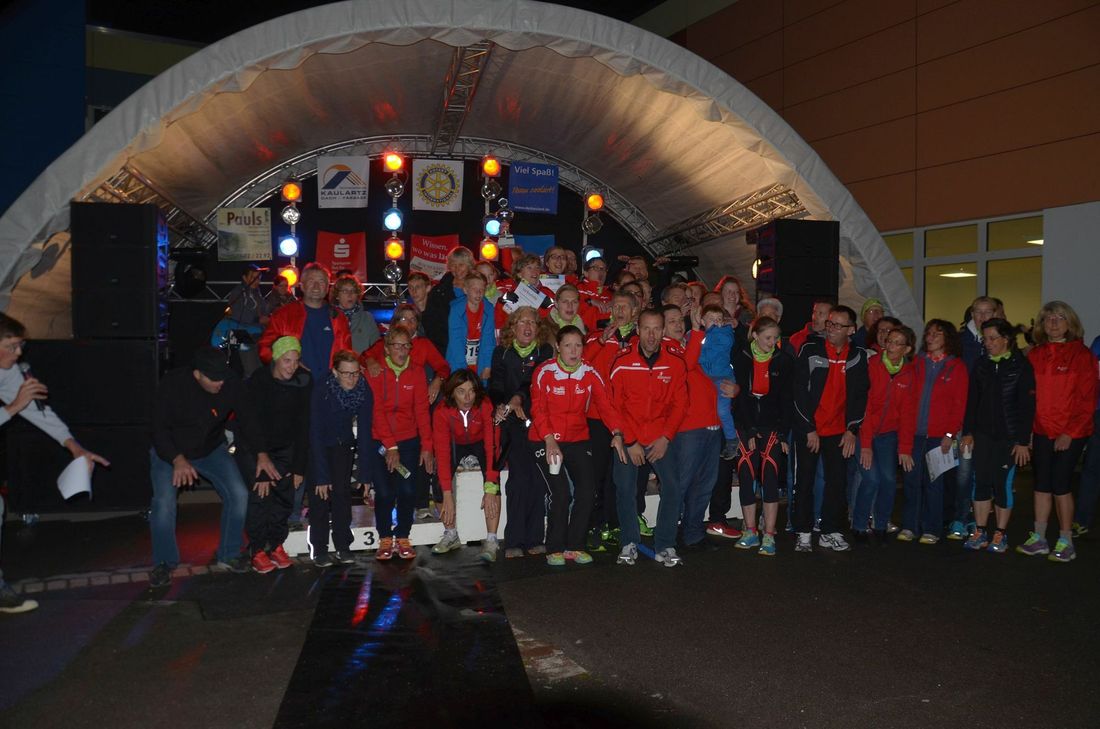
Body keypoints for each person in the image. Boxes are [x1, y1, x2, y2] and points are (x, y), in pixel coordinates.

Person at [0, 313, 108, 613]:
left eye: (20, 345)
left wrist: (74, 447)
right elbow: (17, 407)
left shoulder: (8, 371)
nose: (19, 353)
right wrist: (13, 406)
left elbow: (37, 412)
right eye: (11, 346)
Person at [149, 347, 277, 587]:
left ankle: (229, 554)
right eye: (214, 379)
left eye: (223, 376)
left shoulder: (230, 382)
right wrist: (177, 459)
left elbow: (248, 419)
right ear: (197, 375)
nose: (220, 382)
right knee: (163, 503)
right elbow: (158, 428)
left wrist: (262, 453)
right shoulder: (173, 384)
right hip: (171, 452)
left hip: (209, 449)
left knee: (239, 493)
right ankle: (164, 562)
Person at [531, 326, 625, 567]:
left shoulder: (590, 372)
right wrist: (550, 439)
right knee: (561, 492)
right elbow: (538, 409)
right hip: (545, 438)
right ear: (558, 348)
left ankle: (575, 545)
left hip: (577, 438)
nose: (574, 351)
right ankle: (555, 547)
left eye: (578, 345)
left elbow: (606, 406)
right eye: (568, 345)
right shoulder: (544, 372)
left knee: (587, 489)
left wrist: (616, 432)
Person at [1017, 301, 1097, 562]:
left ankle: (1065, 540)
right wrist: (1027, 430)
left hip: (1070, 431)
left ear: (1069, 323)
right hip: (1041, 429)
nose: (1053, 322)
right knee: (1041, 484)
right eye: (1048, 318)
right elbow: (1028, 397)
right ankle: (1039, 538)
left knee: (1061, 484)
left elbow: (1087, 400)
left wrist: (1070, 432)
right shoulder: (1035, 355)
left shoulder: (1082, 355)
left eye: (1059, 318)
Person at [609, 310, 688, 567]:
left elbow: (680, 404)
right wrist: (630, 441)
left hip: (660, 436)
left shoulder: (675, 362)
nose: (652, 335)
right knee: (625, 488)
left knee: (673, 486)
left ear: (663, 331)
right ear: (638, 330)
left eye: (656, 329)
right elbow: (614, 405)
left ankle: (665, 544)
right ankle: (629, 542)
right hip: (628, 437)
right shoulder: (621, 361)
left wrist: (666, 437)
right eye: (646, 329)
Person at [792, 305, 869, 552]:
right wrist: (808, 428)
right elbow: (799, 392)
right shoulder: (810, 349)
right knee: (805, 481)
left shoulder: (857, 356)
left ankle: (829, 531)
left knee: (837, 482)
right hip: (811, 429)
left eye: (837, 325)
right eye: (830, 324)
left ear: (851, 330)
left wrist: (851, 430)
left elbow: (860, 397)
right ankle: (803, 532)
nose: (831, 329)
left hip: (839, 431)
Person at [236, 336, 312, 573]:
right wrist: (261, 457)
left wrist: (299, 467)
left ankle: (276, 544)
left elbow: (304, 425)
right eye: (287, 360)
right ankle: (257, 549)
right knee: (261, 494)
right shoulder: (259, 381)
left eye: (296, 360)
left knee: (284, 496)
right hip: (255, 447)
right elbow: (249, 424)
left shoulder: (303, 381)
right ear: (276, 359)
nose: (292, 366)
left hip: (285, 448)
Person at [959, 318, 1035, 553]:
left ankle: (1000, 533)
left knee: (1002, 484)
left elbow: (1027, 406)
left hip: (1008, 438)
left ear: (1006, 339)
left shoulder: (1020, 366)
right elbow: (971, 402)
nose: (988, 343)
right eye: (985, 339)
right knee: (980, 482)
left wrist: (1023, 441)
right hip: (982, 435)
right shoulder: (981, 364)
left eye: (993, 338)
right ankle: (980, 530)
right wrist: (968, 432)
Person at [490, 306, 556, 557]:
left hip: (538, 421)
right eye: (521, 322)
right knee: (518, 481)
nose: (527, 327)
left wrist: (518, 398)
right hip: (512, 425)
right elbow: (495, 384)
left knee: (537, 481)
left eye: (532, 323)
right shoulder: (501, 352)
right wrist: (500, 405)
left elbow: (534, 381)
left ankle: (535, 537)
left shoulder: (545, 351)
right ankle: (514, 540)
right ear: (512, 327)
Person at [897, 320, 969, 544]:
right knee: (911, 481)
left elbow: (959, 405)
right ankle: (910, 525)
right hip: (915, 433)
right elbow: (907, 401)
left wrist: (949, 434)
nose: (931, 337)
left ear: (948, 337)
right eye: (928, 333)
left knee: (934, 484)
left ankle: (932, 528)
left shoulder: (956, 367)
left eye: (937, 333)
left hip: (940, 436)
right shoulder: (916, 363)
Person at [367, 328, 435, 560]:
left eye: (406, 346)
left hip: (409, 441)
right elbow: (376, 411)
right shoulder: (375, 372)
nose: (402, 350)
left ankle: (403, 535)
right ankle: (385, 537)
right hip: (380, 442)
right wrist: (390, 446)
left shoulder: (416, 373)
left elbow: (422, 411)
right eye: (397, 345)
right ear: (386, 348)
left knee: (407, 490)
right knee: (384, 493)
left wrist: (427, 445)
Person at [305, 350, 375, 566]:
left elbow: (365, 433)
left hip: (343, 443)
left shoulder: (364, 390)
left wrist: (365, 474)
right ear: (335, 372)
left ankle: (343, 545)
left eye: (356, 373)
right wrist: (322, 476)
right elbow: (314, 432)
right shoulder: (321, 390)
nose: (352, 379)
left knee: (342, 493)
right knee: (320, 495)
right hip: (317, 444)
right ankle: (319, 548)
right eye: (346, 374)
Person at [662, 304, 722, 553]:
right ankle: (669, 536)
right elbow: (685, 368)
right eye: (672, 320)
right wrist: (697, 330)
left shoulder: (687, 345)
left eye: (680, 320)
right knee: (682, 484)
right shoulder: (666, 349)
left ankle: (693, 533)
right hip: (688, 428)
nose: (679, 324)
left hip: (711, 424)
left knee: (704, 484)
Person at [732, 317, 794, 555]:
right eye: (768, 337)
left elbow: (787, 401)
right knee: (747, 475)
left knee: (770, 477)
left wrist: (783, 434)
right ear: (755, 335)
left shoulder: (784, 361)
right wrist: (749, 431)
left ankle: (769, 534)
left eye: (776, 338)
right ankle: (750, 531)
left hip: (772, 428)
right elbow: (741, 398)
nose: (773, 342)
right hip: (745, 425)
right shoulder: (741, 358)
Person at [853, 326, 915, 541]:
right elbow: (866, 407)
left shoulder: (909, 373)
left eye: (898, 343)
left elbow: (908, 414)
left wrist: (905, 448)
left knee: (889, 480)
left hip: (889, 435)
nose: (891, 346)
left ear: (907, 349)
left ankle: (880, 524)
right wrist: (866, 444)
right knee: (871, 479)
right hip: (865, 432)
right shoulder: (872, 365)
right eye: (889, 341)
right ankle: (859, 524)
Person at [431, 370, 501, 562]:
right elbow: (443, 453)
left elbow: (491, 447)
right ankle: (451, 534)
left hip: (480, 442)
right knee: (438, 485)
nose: (468, 397)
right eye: (461, 391)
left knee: (494, 485)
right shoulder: (442, 411)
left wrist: (489, 487)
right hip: (455, 442)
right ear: (452, 392)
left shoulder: (485, 405)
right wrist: (447, 494)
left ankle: (492, 540)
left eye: (471, 391)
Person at [698, 304, 738, 459]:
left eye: (719, 319)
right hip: (706, 379)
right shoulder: (700, 336)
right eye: (711, 319)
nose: (716, 322)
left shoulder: (724, 334)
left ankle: (731, 439)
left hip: (723, 378)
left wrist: (717, 328)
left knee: (722, 410)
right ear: (702, 321)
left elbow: (711, 354)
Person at [1071, 333, 1100, 537]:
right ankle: (1082, 519)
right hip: (1098, 412)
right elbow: (1090, 376)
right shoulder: (1099, 343)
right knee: (1092, 467)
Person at [424, 245, 475, 357]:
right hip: (445, 347)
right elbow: (430, 320)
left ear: (469, 265)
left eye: (461, 265)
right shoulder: (439, 290)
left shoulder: (478, 287)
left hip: (472, 346)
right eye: (453, 265)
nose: (457, 269)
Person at [445, 271, 495, 380]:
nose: (478, 293)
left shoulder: (489, 309)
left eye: (482, 289)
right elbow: (455, 341)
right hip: (458, 362)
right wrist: (463, 371)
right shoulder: (456, 310)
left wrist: (487, 366)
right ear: (465, 290)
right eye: (474, 289)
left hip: (479, 360)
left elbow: (489, 340)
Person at [332, 274, 380, 353]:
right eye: (345, 291)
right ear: (337, 295)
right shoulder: (329, 317)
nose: (349, 294)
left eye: (353, 291)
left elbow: (376, 348)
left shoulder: (367, 318)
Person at [960, 296, 998, 371]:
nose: (983, 316)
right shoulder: (960, 340)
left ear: (994, 314)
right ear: (972, 314)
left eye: (988, 312)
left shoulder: (1003, 339)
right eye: (978, 311)